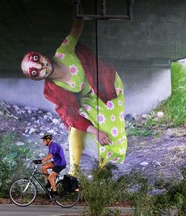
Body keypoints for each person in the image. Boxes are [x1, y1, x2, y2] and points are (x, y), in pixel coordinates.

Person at [21, 18, 128, 176]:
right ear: (37, 79)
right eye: (35, 72)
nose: (41, 66)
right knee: (75, 127)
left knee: (109, 129)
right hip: (88, 97)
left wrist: (79, 9)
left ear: (42, 55)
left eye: (36, 59)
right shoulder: (51, 89)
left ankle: (102, 169)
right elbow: (69, 115)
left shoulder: (64, 52)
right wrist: (94, 130)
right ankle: (73, 172)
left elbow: (77, 26)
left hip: (106, 85)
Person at [40, 134, 66, 200]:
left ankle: (55, 194)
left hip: (60, 164)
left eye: (44, 140)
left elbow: (50, 156)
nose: (43, 142)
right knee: (43, 167)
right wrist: (41, 161)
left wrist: (42, 161)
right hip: (56, 162)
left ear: (48, 140)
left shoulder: (53, 145)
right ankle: (49, 183)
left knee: (51, 177)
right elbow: (49, 156)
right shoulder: (51, 145)